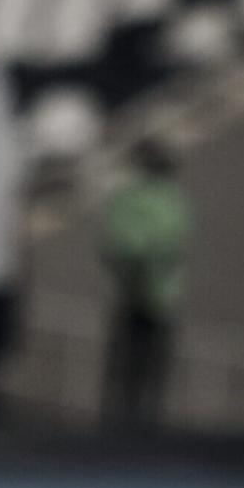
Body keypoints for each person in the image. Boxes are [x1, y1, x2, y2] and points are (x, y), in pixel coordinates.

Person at [99, 138, 188, 433]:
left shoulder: (138, 198)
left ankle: (129, 424)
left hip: (143, 294)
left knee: (135, 368)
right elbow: (169, 242)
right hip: (148, 295)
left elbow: (117, 243)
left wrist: (133, 260)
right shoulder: (167, 199)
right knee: (142, 368)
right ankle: (135, 425)